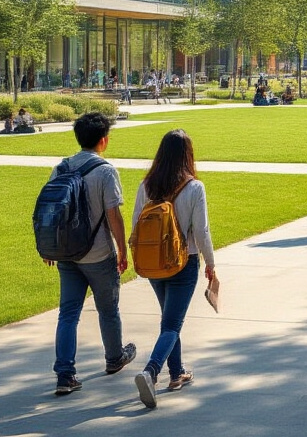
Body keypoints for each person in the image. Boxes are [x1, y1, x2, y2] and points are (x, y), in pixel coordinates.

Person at [46, 112, 134, 396]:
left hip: (66, 254)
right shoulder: (106, 171)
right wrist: (122, 250)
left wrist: (48, 246)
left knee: (68, 314)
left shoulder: (60, 168)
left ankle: (65, 374)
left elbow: (50, 211)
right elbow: (114, 216)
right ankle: (114, 358)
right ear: (103, 141)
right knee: (108, 310)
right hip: (98, 254)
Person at [131, 129, 216, 408]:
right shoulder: (193, 187)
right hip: (183, 261)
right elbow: (201, 231)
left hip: (154, 262)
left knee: (168, 319)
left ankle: (176, 372)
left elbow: (136, 225)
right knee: (172, 323)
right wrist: (211, 264)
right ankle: (151, 371)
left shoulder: (147, 185)